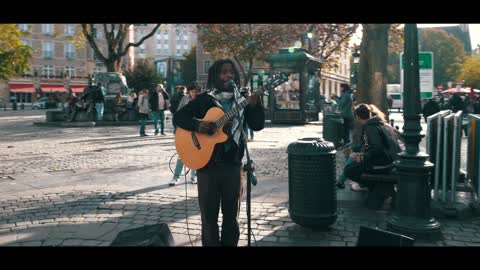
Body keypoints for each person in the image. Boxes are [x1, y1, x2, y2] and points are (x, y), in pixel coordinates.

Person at [174, 59, 265, 246]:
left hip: (233, 167)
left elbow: (257, 125)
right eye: (223, 72)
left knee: (231, 219)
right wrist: (199, 125)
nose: (228, 75)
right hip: (207, 168)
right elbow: (179, 117)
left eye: (231, 72)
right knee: (209, 219)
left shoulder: (243, 99)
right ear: (215, 76)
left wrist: (256, 105)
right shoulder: (205, 99)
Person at [344, 103, 401, 208]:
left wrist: (363, 157)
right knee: (353, 166)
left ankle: (376, 188)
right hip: (389, 160)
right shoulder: (379, 123)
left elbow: (376, 147)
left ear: (358, 117)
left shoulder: (370, 127)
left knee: (350, 170)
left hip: (382, 163)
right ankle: (376, 188)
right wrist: (361, 153)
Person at [170, 85, 201, 186]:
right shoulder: (185, 99)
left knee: (197, 153)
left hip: (198, 131)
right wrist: (177, 128)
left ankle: (194, 176)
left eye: (196, 92)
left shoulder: (203, 101)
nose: (194, 94)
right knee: (182, 154)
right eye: (192, 92)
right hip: (184, 130)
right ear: (189, 92)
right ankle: (176, 177)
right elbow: (178, 114)